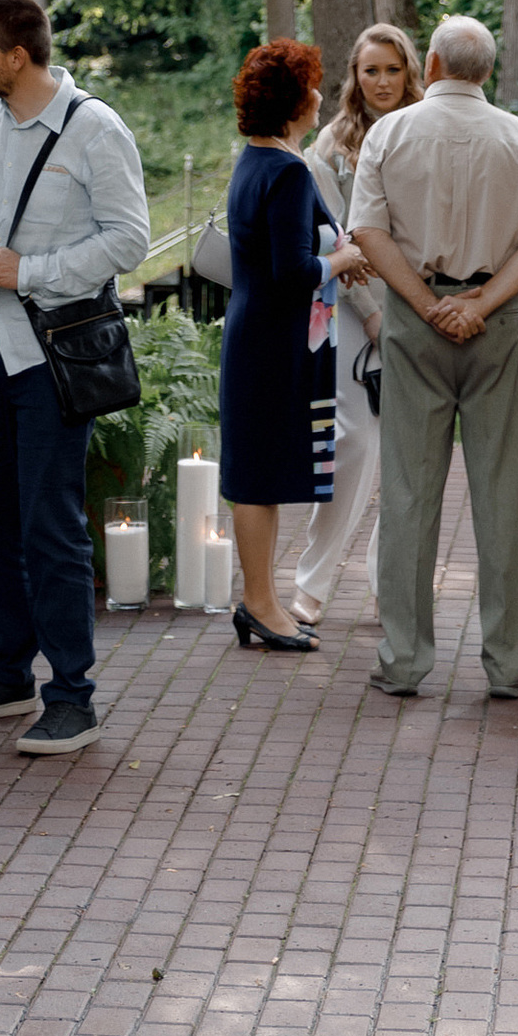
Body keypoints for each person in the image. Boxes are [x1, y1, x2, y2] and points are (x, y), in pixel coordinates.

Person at [0, 0, 152, 754]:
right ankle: (6, 673)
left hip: (51, 355)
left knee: (49, 526)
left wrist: (30, 270)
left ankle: (72, 694)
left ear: (17, 56)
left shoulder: (93, 128)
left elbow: (130, 241)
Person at [348, 13, 518, 703]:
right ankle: (511, 664)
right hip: (499, 324)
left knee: (409, 490)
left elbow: (368, 233)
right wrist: (483, 302)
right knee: (505, 492)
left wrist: (422, 301)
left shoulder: (390, 133)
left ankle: (404, 660)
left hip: (415, 323)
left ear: (431, 65)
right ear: (486, 71)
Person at [283, 23, 422, 629]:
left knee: (411, 456)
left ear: (411, 72)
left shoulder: (426, 134)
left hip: (424, 308)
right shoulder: (332, 148)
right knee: (357, 445)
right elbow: (339, 240)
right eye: (372, 71)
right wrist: (371, 315)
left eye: (393, 70)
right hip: (355, 313)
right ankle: (313, 580)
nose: (383, 82)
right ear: (355, 77)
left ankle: (386, 582)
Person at [219, 38, 332, 650]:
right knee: (257, 475)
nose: (320, 96)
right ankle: (260, 603)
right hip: (269, 338)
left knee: (253, 470)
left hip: (253, 330)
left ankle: (259, 600)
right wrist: (345, 257)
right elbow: (294, 270)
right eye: (312, 86)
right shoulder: (288, 171)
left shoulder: (255, 160)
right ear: (295, 102)